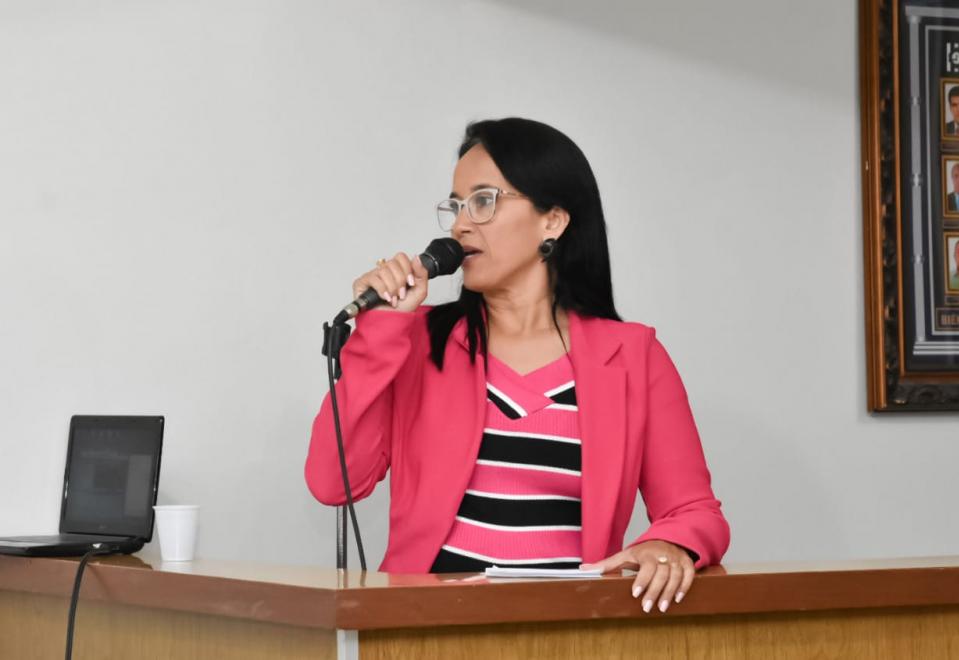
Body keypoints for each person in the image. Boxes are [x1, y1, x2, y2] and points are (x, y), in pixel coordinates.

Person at [305, 118, 729, 614]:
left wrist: (671, 544)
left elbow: (693, 510)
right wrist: (377, 332)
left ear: (553, 220)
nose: (462, 224)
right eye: (457, 206)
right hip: (423, 630)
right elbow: (334, 482)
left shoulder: (633, 356)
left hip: (566, 632)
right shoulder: (415, 339)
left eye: (484, 201)